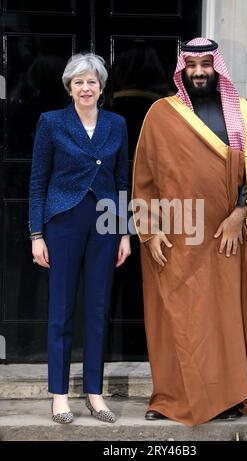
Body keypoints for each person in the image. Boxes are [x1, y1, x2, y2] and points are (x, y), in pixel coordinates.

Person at [132, 37, 247, 426]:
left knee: (224, 320)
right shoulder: (160, 114)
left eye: (206, 64)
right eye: (192, 65)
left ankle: (229, 399)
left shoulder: (243, 114)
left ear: (218, 68)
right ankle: (169, 399)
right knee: (176, 320)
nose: (199, 71)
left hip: (229, 239)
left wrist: (238, 214)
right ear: (183, 70)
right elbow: (144, 179)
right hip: (178, 239)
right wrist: (150, 230)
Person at [29, 53, 131, 424]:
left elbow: (122, 181)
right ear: (69, 87)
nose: (85, 88)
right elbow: (38, 181)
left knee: (97, 309)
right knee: (61, 310)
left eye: (92, 82)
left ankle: (94, 393)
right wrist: (36, 234)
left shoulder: (116, 124)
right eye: (79, 82)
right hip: (63, 223)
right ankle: (59, 396)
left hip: (105, 223)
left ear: (101, 87)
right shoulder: (51, 123)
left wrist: (125, 233)